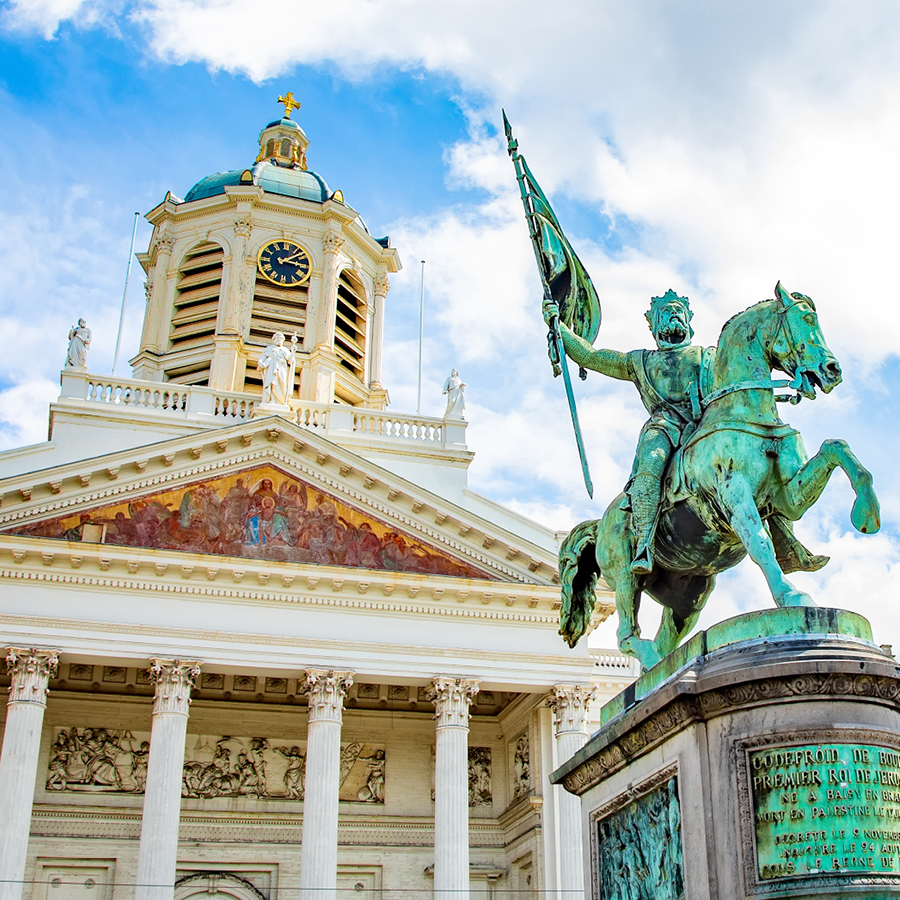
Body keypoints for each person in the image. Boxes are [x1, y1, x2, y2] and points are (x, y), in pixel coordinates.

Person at [547, 290, 701, 574]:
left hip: (705, 424)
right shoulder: (639, 362)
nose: (674, 315)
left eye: (679, 310)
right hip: (664, 429)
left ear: (690, 320)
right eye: (665, 313)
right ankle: (643, 541)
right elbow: (591, 356)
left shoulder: (709, 357)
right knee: (650, 465)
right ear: (654, 326)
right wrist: (561, 327)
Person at [257, 332, 297, 406]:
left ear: (283, 340)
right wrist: (260, 362)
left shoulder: (285, 350)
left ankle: (281, 400)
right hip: (272, 368)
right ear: (274, 339)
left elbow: (290, 361)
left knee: (282, 383)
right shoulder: (269, 349)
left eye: (280, 338)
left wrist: (293, 353)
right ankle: (271, 399)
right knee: (272, 383)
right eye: (277, 338)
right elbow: (263, 357)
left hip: (282, 368)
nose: (279, 339)